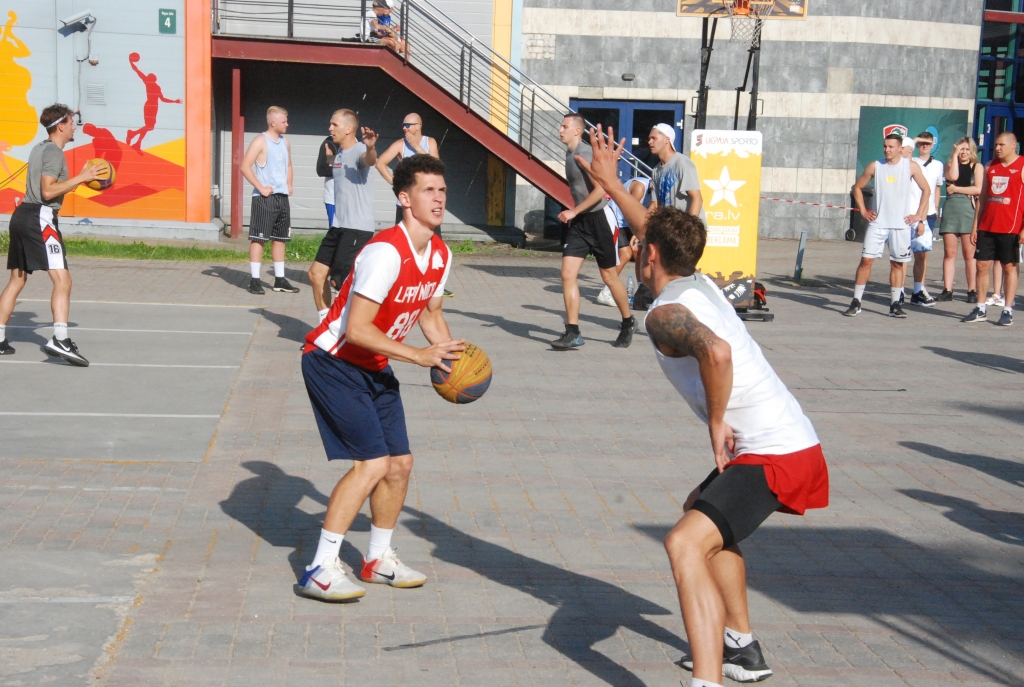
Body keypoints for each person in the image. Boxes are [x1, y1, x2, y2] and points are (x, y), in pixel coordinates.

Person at [577, 124, 829, 687]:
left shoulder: (666, 312)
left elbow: (715, 352)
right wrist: (613, 182)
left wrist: (716, 423)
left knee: (682, 542)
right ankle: (741, 645)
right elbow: (657, 229)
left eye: (641, 246)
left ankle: (708, 680)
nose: (635, 247)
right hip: (789, 441)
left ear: (653, 257)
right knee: (703, 510)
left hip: (774, 452)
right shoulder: (698, 281)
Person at [298, 154, 463, 601]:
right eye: (429, 190)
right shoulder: (385, 252)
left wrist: (451, 363)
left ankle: (377, 560)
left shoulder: (441, 254)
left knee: (400, 464)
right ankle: (320, 568)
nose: (438, 198)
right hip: (332, 360)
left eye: (442, 190)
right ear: (405, 198)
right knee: (371, 464)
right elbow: (357, 329)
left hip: (373, 365)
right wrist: (418, 356)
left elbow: (431, 314)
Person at [0, 104, 104, 365]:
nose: (74, 127)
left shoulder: (39, 148)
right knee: (63, 279)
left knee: (17, 279)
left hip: (23, 214)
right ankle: (60, 339)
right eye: (72, 122)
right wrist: (83, 177)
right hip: (39, 217)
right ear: (61, 125)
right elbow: (47, 192)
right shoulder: (54, 154)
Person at [552, 113, 635, 349]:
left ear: (577, 131)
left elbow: (601, 190)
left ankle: (628, 322)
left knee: (609, 276)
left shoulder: (585, 154)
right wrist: (576, 213)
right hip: (580, 223)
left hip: (600, 220)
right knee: (567, 274)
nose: (560, 129)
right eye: (561, 125)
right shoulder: (569, 153)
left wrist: (574, 211)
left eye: (565, 126)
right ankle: (573, 331)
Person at [846, 133, 930, 318]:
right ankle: (856, 301)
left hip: (900, 225)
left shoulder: (910, 166)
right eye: (885, 146)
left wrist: (917, 215)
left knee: (897, 264)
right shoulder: (876, 165)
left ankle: (895, 304)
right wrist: (863, 210)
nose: (887, 149)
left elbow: (927, 190)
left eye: (891, 146)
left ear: (900, 148)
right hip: (878, 223)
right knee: (866, 260)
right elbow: (857, 188)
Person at [308, 109, 379, 323]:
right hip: (339, 226)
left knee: (339, 282)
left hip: (357, 228)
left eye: (334, 125)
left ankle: (348, 333)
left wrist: (371, 147)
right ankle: (326, 327)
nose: (330, 128)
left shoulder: (359, 150)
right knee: (316, 275)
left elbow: (369, 160)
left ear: (348, 129)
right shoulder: (338, 152)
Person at [962, 131, 1024, 326]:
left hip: (1011, 227)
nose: (997, 148)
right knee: (981, 266)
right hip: (987, 226)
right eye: (996, 145)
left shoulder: (1022, 165)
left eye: (1001, 145)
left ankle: (1007, 310)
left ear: (1013, 145)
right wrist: (975, 226)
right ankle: (980, 308)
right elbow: (982, 197)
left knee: (1009, 267)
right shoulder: (990, 166)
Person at [239, 106, 300, 296]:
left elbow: (288, 165)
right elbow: (244, 166)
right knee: (259, 238)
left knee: (280, 239)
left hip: (281, 198)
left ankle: (280, 280)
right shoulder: (260, 140)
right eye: (284, 121)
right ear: (273, 123)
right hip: (264, 199)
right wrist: (261, 187)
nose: (287, 124)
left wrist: (289, 184)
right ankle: (255, 280)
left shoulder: (285, 142)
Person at [939, 137, 982, 302]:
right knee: (949, 253)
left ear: (972, 151)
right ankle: (947, 290)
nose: (964, 152)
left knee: (969, 253)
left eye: (967, 149)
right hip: (951, 209)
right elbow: (953, 176)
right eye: (961, 149)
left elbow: (978, 189)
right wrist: (955, 155)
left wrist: (956, 189)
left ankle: (972, 290)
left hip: (968, 210)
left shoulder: (977, 167)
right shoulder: (948, 165)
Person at [598, 176, 650, 307]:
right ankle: (606, 291)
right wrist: (638, 232)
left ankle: (641, 290)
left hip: (628, 222)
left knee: (639, 252)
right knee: (625, 254)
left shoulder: (655, 193)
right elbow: (630, 211)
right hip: (616, 219)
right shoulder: (640, 187)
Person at [907, 133, 944, 306]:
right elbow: (902, 152)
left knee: (922, 254)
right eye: (921, 143)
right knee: (903, 254)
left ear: (933, 145)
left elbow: (936, 188)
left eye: (928, 143)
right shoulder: (910, 160)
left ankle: (919, 288)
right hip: (910, 213)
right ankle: (898, 291)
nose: (924, 146)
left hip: (927, 214)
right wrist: (914, 141)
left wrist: (935, 208)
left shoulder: (938, 165)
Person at [648, 123, 706, 224]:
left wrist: (688, 229)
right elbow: (655, 205)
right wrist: (642, 228)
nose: (649, 142)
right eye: (649, 139)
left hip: (689, 232)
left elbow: (697, 198)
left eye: (654, 138)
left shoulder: (683, 163)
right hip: (670, 230)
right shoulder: (656, 170)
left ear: (667, 139)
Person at [316, 133, 339, 229]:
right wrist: (342, 168)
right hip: (334, 198)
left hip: (351, 197)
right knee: (335, 231)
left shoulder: (356, 143)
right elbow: (321, 169)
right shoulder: (330, 142)